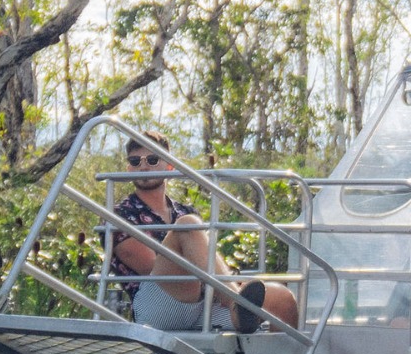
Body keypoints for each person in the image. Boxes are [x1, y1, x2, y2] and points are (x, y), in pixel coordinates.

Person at [108, 138, 299, 333]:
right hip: (157, 305)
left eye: (152, 160)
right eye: (135, 161)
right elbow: (149, 266)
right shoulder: (120, 215)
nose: (143, 167)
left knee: (282, 298)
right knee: (187, 225)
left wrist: (227, 281)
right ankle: (235, 302)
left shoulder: (184, 210)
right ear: (129, 169)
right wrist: (220, 284)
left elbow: (206, 258)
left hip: (204, 300)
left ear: (169, 165)